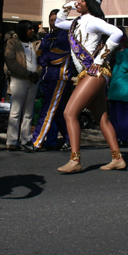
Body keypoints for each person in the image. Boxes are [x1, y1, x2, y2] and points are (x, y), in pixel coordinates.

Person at [54, 0, 126, 172]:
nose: (78, 2)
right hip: (87, 75)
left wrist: (100, 59)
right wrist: (67, 6)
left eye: (81, 0)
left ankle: (75, 160)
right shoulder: (75, 23)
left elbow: (117, 33)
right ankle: (117, 158)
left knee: (69, 113)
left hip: (95, 73)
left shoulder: (94, 21)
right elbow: (58, 22)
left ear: (89, 3)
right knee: (102, 118)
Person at [31, 9, 72, 151]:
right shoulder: (47, 37)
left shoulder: (67, 36)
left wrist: (46, 58)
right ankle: (70, 140)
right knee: (59, 112)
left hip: (59, 77)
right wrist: (45, 59)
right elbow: (39, 54)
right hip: (47, 77)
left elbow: (58, 56)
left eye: (56, 20)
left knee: (47, 110)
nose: (53, 23)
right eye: (51, 20)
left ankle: (36, 141)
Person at [4, 20, 41, 151]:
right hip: (19, 80)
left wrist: (37, 73)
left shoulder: (36, 44)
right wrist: (27, 74)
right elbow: (11, 62)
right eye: (29, 28)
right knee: (15, 111)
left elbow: (42, 61)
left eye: (33, 28)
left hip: (33, 81)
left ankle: (26, 139)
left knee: (28, 112)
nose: (32, 31)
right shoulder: (12, 43)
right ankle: (12, 141)